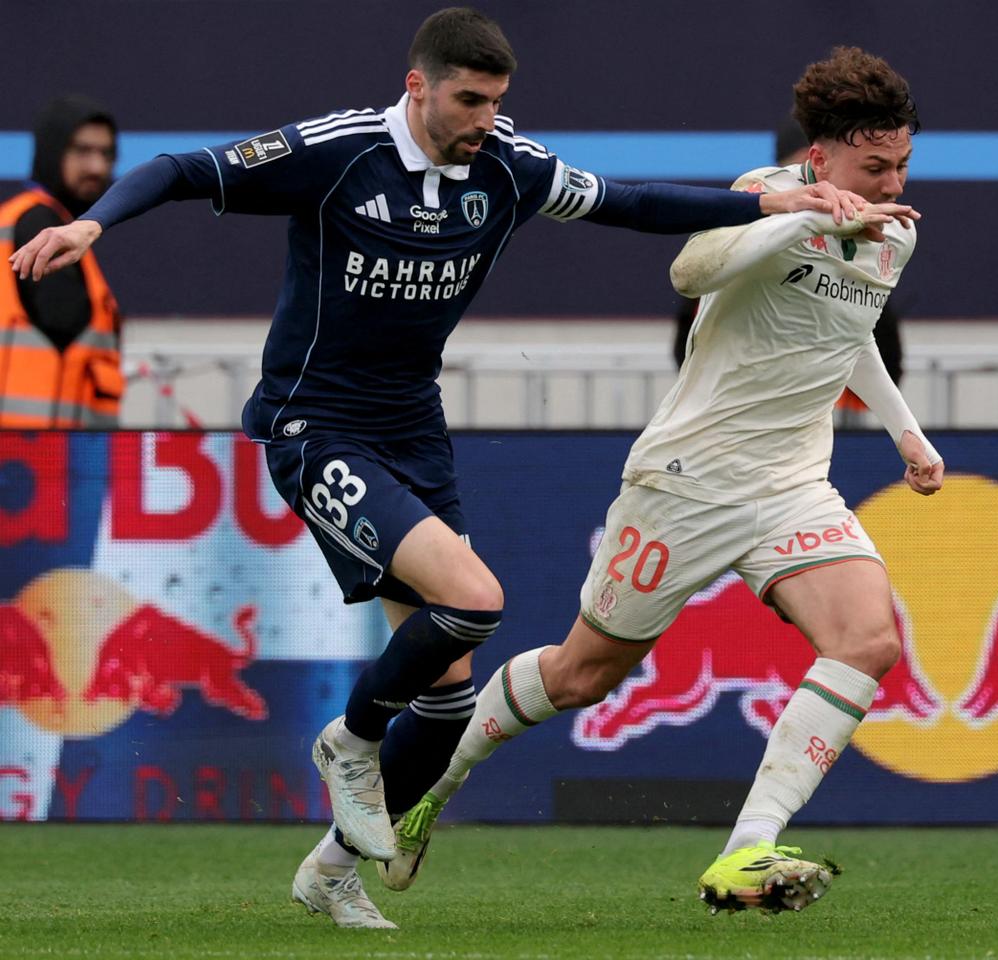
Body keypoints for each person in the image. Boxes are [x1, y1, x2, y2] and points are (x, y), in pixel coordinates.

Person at [8, 8, 862, 930]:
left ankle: (332, 871)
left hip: (413, 431)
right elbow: (184, 169)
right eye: (468, 100)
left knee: (451, 698)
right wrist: (94, 224)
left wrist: (768, 205)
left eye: (496, 101)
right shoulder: (338, 153)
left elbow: (631, 203)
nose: (484, 119)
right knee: (476, 598)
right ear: (417, 86)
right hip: (315, 426)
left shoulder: (507, 167)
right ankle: (350, 742)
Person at [395, 45, 941, 915]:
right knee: (581, 675)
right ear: (820, 157)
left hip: (791, 485)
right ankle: (430, 783)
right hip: (688, 481)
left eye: (902, 164)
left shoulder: (895, 231)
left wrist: (908, 434)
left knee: (868, 640)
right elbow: (689, 271)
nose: (892, 184)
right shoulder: (765, 194)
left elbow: (849, 336)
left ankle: (747, 848)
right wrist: (800, 219)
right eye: (875, 167)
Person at [673, 119, 905, 421]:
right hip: (736, 414)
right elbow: (687, 283)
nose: (817, 182)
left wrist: (901, 427)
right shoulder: (748, 221)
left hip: (833, 417)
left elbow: (863, 339)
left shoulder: (876, 244)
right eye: (803, 165)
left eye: (901, 166)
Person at [0, 96, 122, 428]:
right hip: (36, 447)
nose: (97, 167)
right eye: (82, 151)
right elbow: (63, 321)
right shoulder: (41, 225)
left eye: (105, 154)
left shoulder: (31, 220)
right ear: (53, 152)